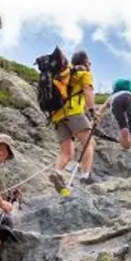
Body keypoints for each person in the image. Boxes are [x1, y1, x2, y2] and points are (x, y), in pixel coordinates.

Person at [49, 50, 97, 188]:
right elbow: (87, 91)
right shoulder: (84, 74)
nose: (90, 64)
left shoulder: (65, 75)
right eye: (89, 61)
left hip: (57, 116)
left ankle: (57, 173)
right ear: (85, 62)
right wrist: (92, 111)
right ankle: (85, 177)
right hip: (73, 112)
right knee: (89, 143)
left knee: (67, 152)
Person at [110, 79, 131, 156]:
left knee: (122, 125)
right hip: (128, 99)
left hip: (115, 101)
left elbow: (104, 106)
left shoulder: (113, 95)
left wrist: (98, 114)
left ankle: (125, 143)